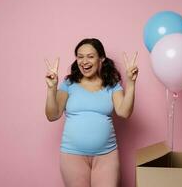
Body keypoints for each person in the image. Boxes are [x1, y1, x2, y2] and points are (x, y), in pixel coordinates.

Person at [45, 38, 138, 187]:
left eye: (90, 56)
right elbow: (52, 115)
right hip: (72, 155)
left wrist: (131, 83)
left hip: (106, 156)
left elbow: (124, 112)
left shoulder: (112, 84)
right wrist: (51, 88)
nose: (84, 61)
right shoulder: (69, 84)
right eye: (80, 57)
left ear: (101, 58)